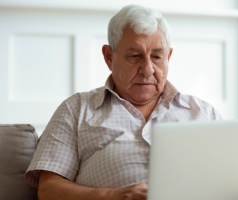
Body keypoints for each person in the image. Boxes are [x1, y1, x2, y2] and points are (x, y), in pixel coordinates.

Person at [25, 4, 222, 200]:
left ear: (168, 57)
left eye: (157, 57)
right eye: (135, 56)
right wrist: (112, 196)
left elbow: (232, 180)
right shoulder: (76, 109)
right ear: (109, 57)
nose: (147, 69)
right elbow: (49, 189)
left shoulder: (203, 113)